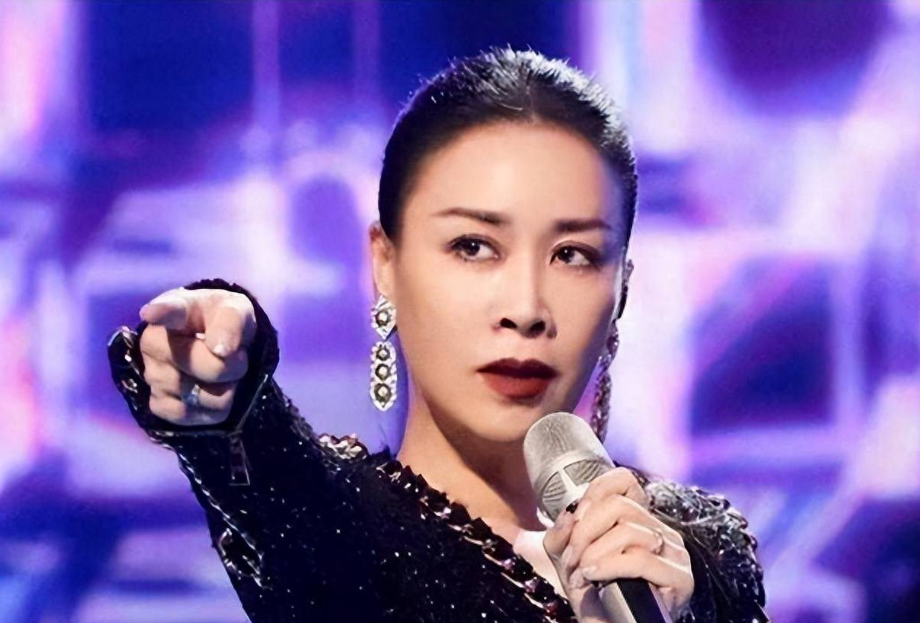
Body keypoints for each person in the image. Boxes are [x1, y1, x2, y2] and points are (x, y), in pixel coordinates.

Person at [108, 47, 769, 623]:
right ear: (384, 262)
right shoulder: (336, 530)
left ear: (620, 286)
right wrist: (220, 382)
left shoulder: (698, 551)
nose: (526, 308)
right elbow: (260, 452)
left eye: (573, 254)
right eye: (473, 246)